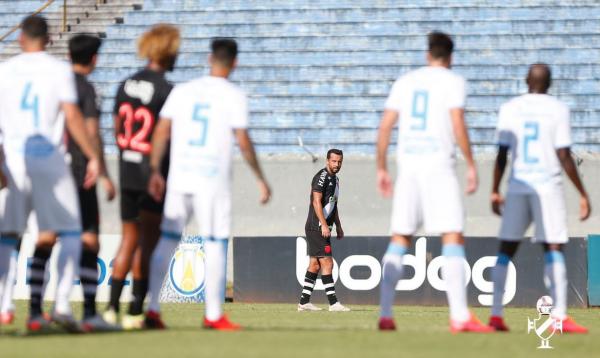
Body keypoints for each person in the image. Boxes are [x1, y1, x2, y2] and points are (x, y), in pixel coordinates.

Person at [146, 38, 271, 330]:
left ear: (208, 58)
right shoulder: (233, 95)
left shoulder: (182, 90)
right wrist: (260, 178)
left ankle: (152, 307)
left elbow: (162, 131)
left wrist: (154, 169)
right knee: (214, 243)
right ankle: (213, 314)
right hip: (211, 180)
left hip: (180, 177)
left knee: (167, 239)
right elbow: (242, 141)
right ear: (235, 63)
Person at [376, 31, 491, 332]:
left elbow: (386, 126)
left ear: (428, 54)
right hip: (439, 167)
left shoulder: (405, 82)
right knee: (452, 236)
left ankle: (385, 314)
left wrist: (381, 169)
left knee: (400, 238)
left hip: (409, 168)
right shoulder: (453, 82)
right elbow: (457, 124)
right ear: (451, 57)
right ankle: (459, 316)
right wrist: (471, 164)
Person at [0, 15, 100, 332]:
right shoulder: (58, 71)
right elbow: (71, 116)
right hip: (51, 162)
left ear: (20, 39)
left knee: (8, 235)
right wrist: (93, 156)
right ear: (49, 38)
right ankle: (60, 305)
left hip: (14, 161)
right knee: (70, 230)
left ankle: (4, 306)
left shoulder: (5, 71)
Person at [488, 64, 590, 333]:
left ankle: (496, 314)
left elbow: (501, 154)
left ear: (525, 81)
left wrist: (495, 189)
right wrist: (582, 193)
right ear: (550, 84)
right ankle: (559, 316)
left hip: (519, 183)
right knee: (553, 247)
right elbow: (564, 156)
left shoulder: (510, 108)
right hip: (547, 186)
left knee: (506, 248)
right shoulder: (558, 109)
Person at [104, 24, 180, 330]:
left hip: (126, 167)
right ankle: (136, 310)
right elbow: (165, 134)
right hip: (152, 173)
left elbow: (115, 128)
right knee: (147, 243)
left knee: (128, 239)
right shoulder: (166, 90)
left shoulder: (124, 84)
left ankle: (109, 308)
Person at [66, 34, 117, 331]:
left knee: (49, 238)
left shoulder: (55, 86)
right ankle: (88, 311)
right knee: (89, 239)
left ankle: (39, 309)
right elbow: (92, 132)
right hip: (80, 172)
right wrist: (104, 172)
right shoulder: (86, 89)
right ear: (94, 58)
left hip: (50, 170)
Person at [297, 149, 349, 312]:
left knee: (314, 264)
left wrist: (338, 225)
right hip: (316, 227)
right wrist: (324, 225)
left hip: (323, 227)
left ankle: (304, 302)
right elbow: (316, 202)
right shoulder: (321, 177)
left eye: (339, 161)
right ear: (327, 161)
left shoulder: (336, 179)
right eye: (334, 161)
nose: (337, 164)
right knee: (327, 262)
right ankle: (333, 303)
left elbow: (333, 205)